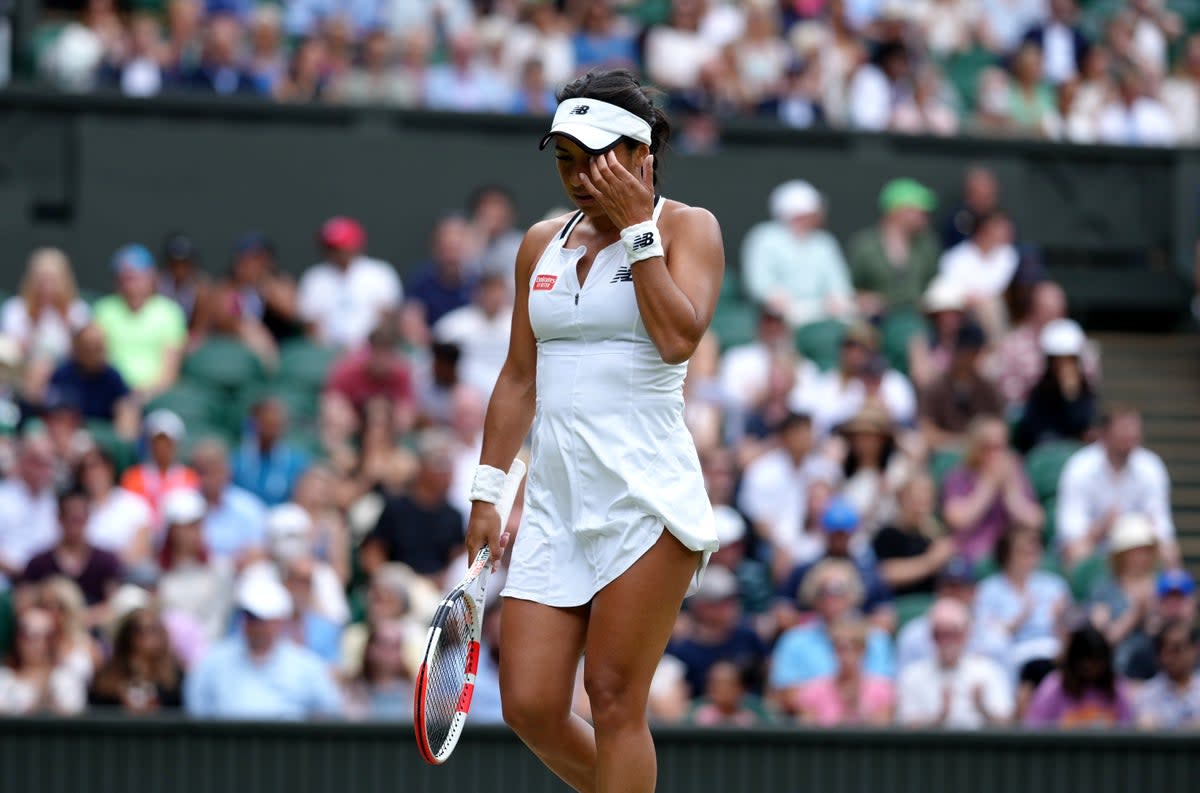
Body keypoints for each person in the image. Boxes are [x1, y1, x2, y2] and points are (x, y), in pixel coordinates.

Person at [462, 70, 723, 793]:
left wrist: (639, 229)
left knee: (612, 699)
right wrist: (488, 491)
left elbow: (677, 338)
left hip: (646, 502)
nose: (580, 176)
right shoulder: (539, 243)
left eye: (597, 158)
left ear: (642, 157)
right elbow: (518, 377)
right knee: (533, 704)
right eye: (566, 159)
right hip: (553, 502)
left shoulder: (688, 227)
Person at [184, 566, 342, 719]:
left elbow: (330, 712)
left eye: (262, 619)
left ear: (279, 621)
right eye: (250, 617)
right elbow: (196, 713)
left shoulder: (307, 667)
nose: (256, 626)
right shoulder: (211, 663)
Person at [1055, 404, 1178, 569]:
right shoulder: (1079, 467)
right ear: (1105, 434)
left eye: (1135, 429)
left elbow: (1162, 526)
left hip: (1138, 545)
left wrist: (1144, 528)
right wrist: (1102, 527)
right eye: (1124, 428)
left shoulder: (1151, 466)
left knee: (1169, 551)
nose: (1131, 435)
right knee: (1076, 551)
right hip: (1095, 546)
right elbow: (1071, 532)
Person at [769, 559, 895, 705]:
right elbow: (786, 695)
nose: (830, 598)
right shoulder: (793, 640)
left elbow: (885, 695)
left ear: (853, 593)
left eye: (838, 590)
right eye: (823, 591)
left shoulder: (877, 639)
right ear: (812, 595)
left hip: (866, 723)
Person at [740, 180, 854, 328]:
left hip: (825, 313)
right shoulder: (764, 238)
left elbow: (839, 284)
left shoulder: (825, 242)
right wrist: (776, 299)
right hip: (780, 316)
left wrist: (838, 299)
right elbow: (758, 283)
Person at [359, 429, 464, 583]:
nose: (449, 473)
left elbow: (456, 562)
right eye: (441, 465)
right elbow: (373, 552)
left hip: (434, 591)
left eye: (450, 465)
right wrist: (387, 580)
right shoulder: (396, 507)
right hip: (397, 586)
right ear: (423, 467)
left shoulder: (454, 516)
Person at [896, 598, 1014, 728]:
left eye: (954, 634)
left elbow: (1006, 722)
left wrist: (981, 707)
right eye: (941, 634)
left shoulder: (989, 670)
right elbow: (906, 724)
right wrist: (939, 717)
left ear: (966, 634)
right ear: (932, 636)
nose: (947, 641)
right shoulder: (913, 675)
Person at [942, 415, 1043, 565]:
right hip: (975, 555)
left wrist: (1011, 492)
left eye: (1002, 447)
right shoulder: (959, 477)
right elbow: (958, 520)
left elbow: (1036, 521)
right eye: (990, 447)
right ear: (976, 448)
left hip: (1013, 553)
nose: (998, 454)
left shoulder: (1015, 475)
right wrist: (988, 485)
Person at [91, 244, 188, 398]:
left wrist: (143, 395)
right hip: (110, 394)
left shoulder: (170, 312)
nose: (130, 284)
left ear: (151, 276)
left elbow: (170, 372)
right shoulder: (103, 309)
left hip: (156, 398)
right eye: (125, 277)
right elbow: (95, 361)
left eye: (136, 277)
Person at [975, 526, 1071, 675]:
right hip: (1012, 654)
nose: (1030, 557)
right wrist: (1019, 619)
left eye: (1034, 551)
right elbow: (985, 635)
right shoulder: (988, 590)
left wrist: (1060, 620)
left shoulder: (1054, 585)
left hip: (1051, 649)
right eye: (1023, 552)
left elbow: (1069, 627)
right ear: (1007, 554)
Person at [297, 216, 402, 349]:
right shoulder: (314, 278)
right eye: (332, 246)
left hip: (371, 350)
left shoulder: (379, 273)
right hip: (328, 351)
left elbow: (388, 319)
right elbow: (311, 327)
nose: (337, 251)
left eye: (342, 245)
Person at [665, 565, 767, 699]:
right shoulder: (681, 649)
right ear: (701, 607)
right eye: (723, 602)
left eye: (733, 600)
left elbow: (766, 673)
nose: (731, 607)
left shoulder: (748, 636)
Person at [2, 248, 90, 398]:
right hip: (22, 374)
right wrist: (33, 321)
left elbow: (82, 357)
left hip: (67, 376)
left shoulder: (78, 310)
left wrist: (65, 321)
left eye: (53, 280)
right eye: (41, 279)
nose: (46, 286)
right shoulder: (15, 309)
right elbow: (12, 355)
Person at [847, 178, 941, 318]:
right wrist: (864, 299)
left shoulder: (927, 244)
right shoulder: (864, 245)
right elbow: (849, 288)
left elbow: (934, 282)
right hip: (874, 320)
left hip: (918, 319)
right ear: (898, 211)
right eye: (918, 211)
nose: (924, 216)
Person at [21, 488, 122, 612]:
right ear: (59, 518)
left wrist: (80, 621)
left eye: (79, 518)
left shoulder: (106, 561)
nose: (75, 525)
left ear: (88, 517)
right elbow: (24, 605)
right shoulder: (38, 563)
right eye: (70, 518)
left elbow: (114, 605)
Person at [1087, 513, 1161, 679]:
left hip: (1158, 671)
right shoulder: (1103, 590)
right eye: (1134, 551)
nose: (1141, 557)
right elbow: (1102, 641)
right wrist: (1134, 615)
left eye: (1145, 550)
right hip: (1117, 670)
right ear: (1120, 555)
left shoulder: (1163, 586)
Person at [790, 615, 895, 726]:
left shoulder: (882, 690)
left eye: (855, 647)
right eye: (840, 648)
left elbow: (880, 734)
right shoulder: (812, 692)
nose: (847, 655)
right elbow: (807, 735)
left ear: (864, 650)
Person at [1013, 318, 1097, 453]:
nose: (1064, 366)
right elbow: (1034, 432)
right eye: (1059, 360)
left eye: (1070, 359)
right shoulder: (1040, 393)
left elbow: (1084, 424)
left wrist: (1071, 395)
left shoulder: (1085, 392)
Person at [1024, 623, 1133, 727]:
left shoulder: (1116, 686)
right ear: (1075, 660)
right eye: (1088, 661)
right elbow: (1035, 727)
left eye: (1098, 661)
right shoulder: (1054, 686)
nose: (1093, 668)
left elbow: (1127, 726)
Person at [919, 321, 1005, 451]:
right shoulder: (935, 388)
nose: (971, 359)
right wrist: (962, 443)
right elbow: (928, 433)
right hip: (944, 455)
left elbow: (999, 429)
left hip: (984, 455)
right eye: (968, 353)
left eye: (975, 353)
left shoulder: (988, 389)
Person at [873, 473, 958, 598]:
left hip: (933, 601)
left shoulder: (937, 534)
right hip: (899, 603)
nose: (920, 506)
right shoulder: (888, 534)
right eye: (915, 499)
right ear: (902, 499)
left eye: (926, 500)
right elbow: (885, 574)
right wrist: (930, 562)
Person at [47, 324, 139, 437]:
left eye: (98, 348)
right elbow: (54, 415)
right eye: (88, 348)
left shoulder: (113, 377)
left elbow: (126, 412)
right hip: (70, 435)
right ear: (77, 349)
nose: (93, 354)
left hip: (103, 437)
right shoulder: (63, 375)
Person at [89, 606, 184, 712]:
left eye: (153, 629)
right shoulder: (107, 676)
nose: (147, 636)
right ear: (126, 635)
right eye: (139, 630)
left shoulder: (174, 676)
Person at [191, 438, 267, 565]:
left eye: (215, 470)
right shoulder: (186, 507)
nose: (210, 478)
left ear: (227, 470)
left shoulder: (249, 506)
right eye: (204, 472)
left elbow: (258, 551)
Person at [0, 606, 86, 715]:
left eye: (46, 636)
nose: (36, 643)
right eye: (26, 634)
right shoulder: (3, 677)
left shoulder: (66, 677)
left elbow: (74, 715)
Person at [78, 447, 154, 569]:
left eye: (96, 467)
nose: (91, 474)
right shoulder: (76, 510)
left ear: (110, 469)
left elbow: (140, 551)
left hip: (127, 576)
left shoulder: (134, 504)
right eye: (85, 469)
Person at [0, 434, 60, 590]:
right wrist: (24, 573)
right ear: (22, 462)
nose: (44, 470)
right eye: (37, 462)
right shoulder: (3, 497)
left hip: (45, 584)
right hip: (7, 582)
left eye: (48, 464)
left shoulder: (53, 501)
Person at [118, 409, 199, 523]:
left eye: (167, 443)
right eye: (157, 442)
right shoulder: (133, 477)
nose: (162, 448)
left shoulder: (190, 477)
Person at [231, 396, 310, 506]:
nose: (273, 431)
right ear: (254, 424)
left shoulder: (296, 463)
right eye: (267, 424)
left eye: (277, 425)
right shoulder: (236, 462)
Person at [343, 618, 416, 721]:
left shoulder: (416, 693)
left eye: (396, 645)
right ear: (370, 648)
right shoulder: (351, 691)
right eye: (385, 643)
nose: (391, 652)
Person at [1134, 620, 1200, 729]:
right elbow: (1147, 728)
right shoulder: (1147, 693)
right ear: (1160, 654)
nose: (1181, 655)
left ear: (1195, 650)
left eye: (1185, 647)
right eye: (1174, 649)